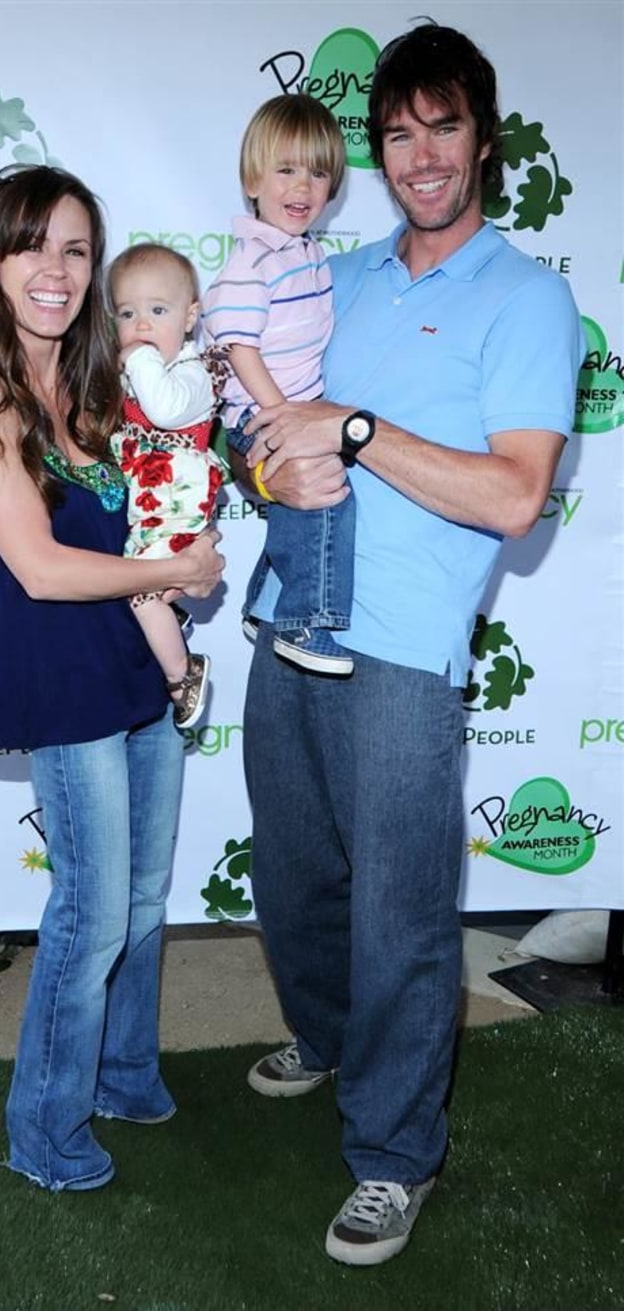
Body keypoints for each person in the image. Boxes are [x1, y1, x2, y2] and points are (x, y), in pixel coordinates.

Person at [232, 24, 586, 1264]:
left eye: (444, 126)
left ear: (481, 138)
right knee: (292, 880)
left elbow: (512, 498)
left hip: (401, 656)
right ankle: (327, 1038)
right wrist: (256, 446)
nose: (421, 154)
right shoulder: (346, 278)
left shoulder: (529, 297)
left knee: (399, 918)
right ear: (376, 151)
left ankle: (392, 1154)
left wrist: (358, 429)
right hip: (287, 616)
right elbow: (274, 416)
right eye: (398, 132)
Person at [0, 165, 224, 1192]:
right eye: (32, 245)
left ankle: (123, 1076)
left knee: (143, 902)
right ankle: (44, 1133)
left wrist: (193, 534)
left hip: (137, 675)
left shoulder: (108, 385)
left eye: (75, 249)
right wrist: (177, 571)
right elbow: (42, 568)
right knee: (90, 915)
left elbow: (157, 503)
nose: (54, 270)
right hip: (62, 688)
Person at [203, 93, 354, 675]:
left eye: (318, 172)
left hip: (293, 408)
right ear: (252, 179)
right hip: (258, 415)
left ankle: (263, 602)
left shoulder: (307, 251)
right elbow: (238, 346)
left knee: (301, 506)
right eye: (286, 170)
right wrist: (282, 416)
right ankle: (304, 625)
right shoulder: (255, 259)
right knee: (325, 497)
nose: (303, 187)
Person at [108, 243, 228, 729]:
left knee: (141, 592)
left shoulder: (196, 373)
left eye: (158, 311)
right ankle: (169, 624)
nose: (141, 326)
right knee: (133, 586)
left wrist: (137, 362)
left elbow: (163, 410)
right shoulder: (139, 373)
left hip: (175, 500)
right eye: (127, 313)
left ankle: (183, 674)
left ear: (189, 317)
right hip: (144, 501)